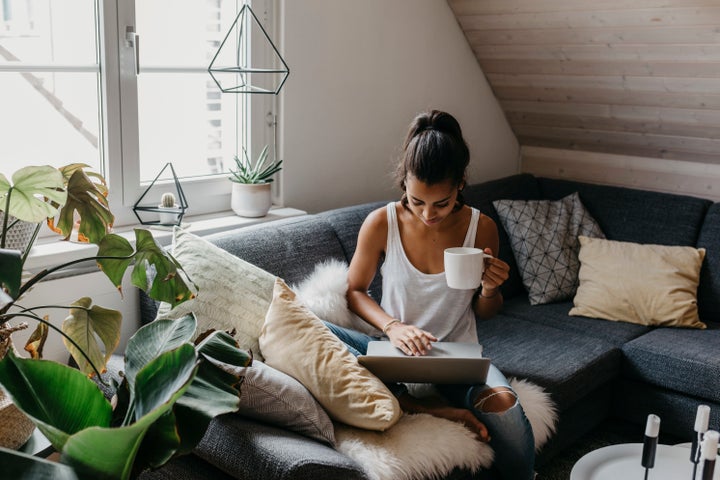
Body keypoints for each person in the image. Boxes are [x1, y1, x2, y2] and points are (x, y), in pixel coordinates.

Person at [325, 109, 536, 479]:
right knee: (316, 328)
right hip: (394, 356)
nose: (427, 214)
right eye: (417, 200)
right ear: (404, 182)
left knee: (509, 413)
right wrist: (393, 327)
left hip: (457, 361)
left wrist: (489, 289)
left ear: (460, 185)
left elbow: (487, 312)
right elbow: (354, 291)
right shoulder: (382, 222)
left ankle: (434, 406)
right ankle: (417, 404)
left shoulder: (481, 228)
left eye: (441, 203)